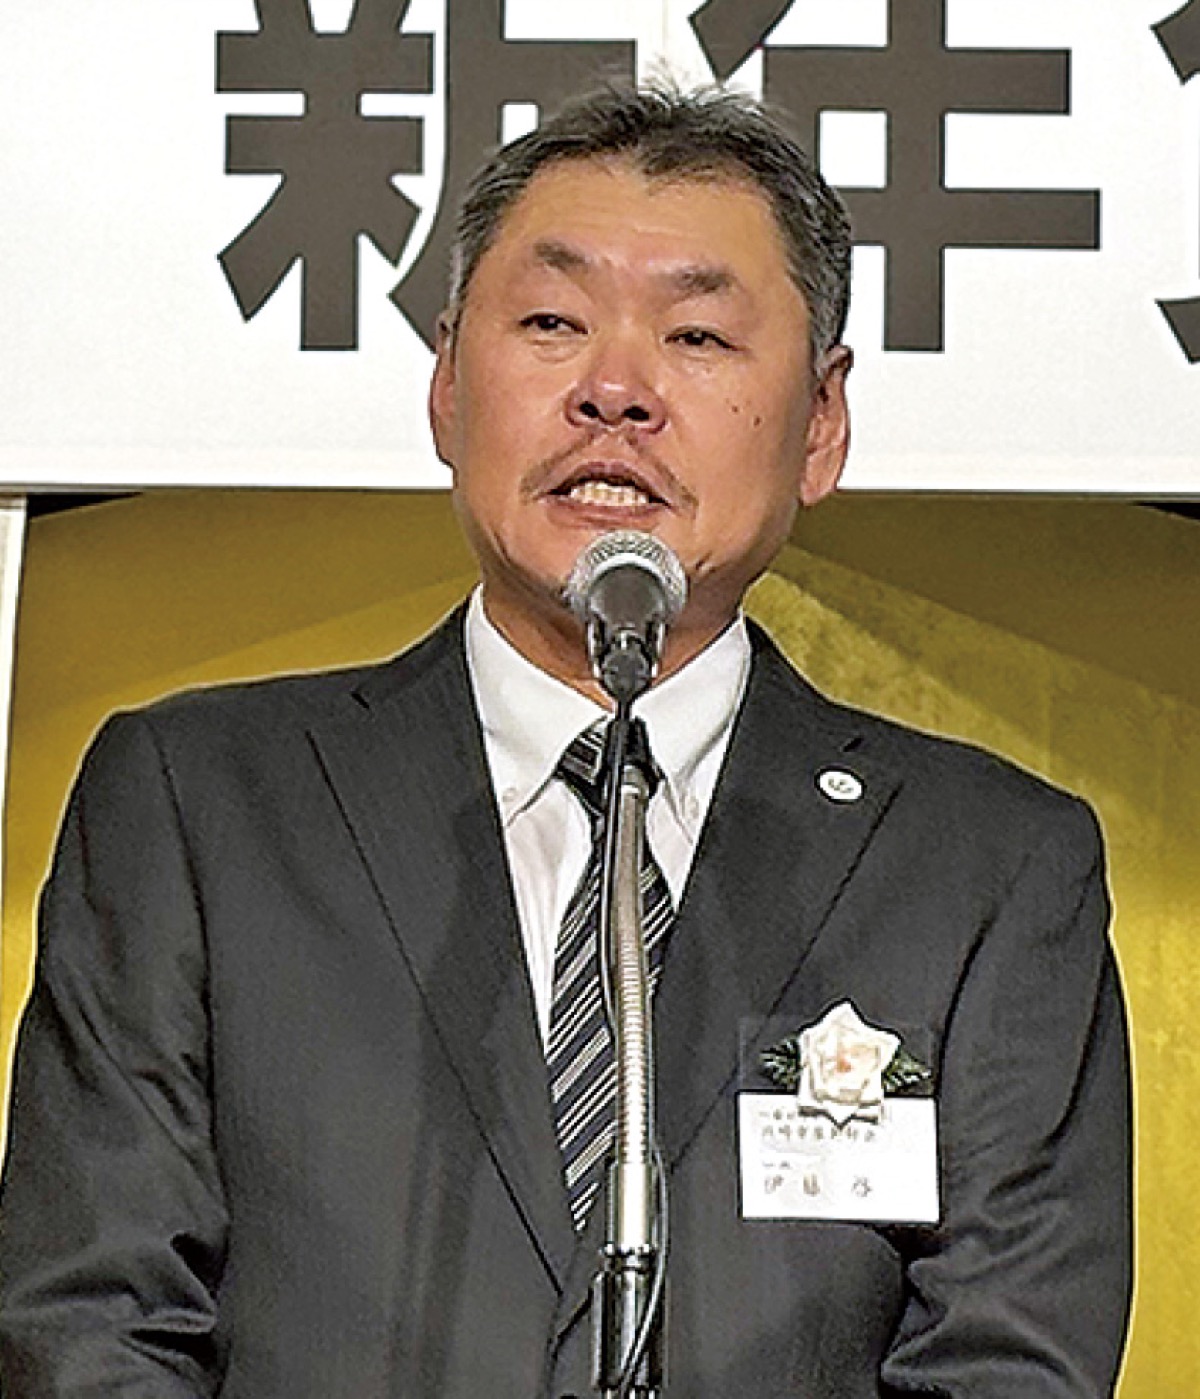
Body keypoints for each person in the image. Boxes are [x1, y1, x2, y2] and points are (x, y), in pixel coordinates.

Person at [0, 83, 1131, 1396]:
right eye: (551, 322)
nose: (616, 391)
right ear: (446, 383)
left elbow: (1006, 1363)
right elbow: (92, 1322)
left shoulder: (987, 870)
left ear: (820, 422)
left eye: (697, 336)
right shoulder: (201, 806)